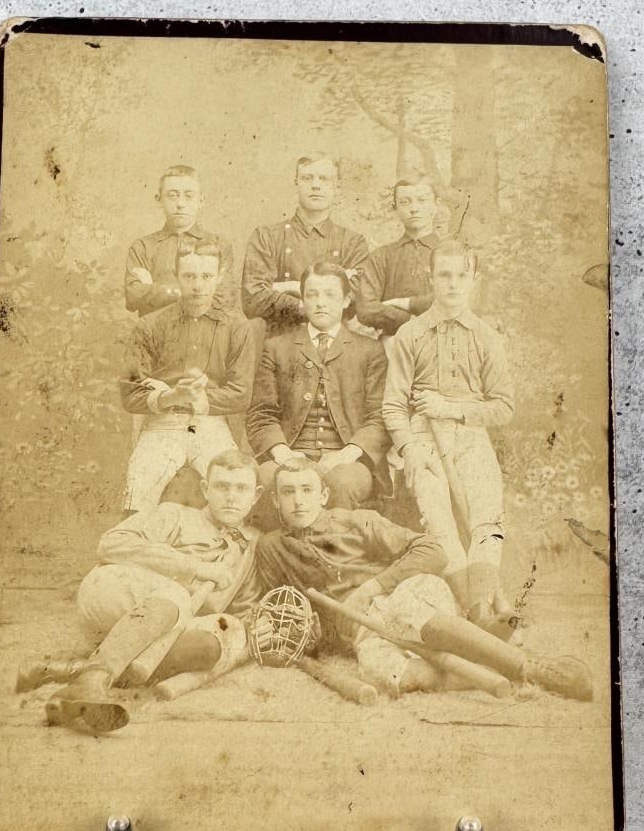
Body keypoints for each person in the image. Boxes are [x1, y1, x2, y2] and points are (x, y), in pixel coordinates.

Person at [28, 451, 264, 732]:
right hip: (113, 594)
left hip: (162, 632)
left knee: (213, 645)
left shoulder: (251, 546)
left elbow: (241, 608)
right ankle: (91, 680)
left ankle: (79, 679)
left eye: (241, 488)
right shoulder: (174, 514)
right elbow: (111, 545)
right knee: (175, 595)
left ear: (256, 495)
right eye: (222, 486)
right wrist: (195, 568)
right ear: (205, 489)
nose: (231, 497)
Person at [381, 238, 514, 627]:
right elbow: (393, 404)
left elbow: (504, 407)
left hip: (471, 436)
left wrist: (451, 409)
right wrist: (408, 448)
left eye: (461, 276)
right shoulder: (411, 334)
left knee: (487, 518)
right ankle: (479, 612)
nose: (453, 284)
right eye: (444, 275)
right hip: (423, 439)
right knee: (439, 519)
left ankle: (484, 606)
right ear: (431, 279)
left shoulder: (488, 337)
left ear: (474, 280)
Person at [255, 457, 459, 697]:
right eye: (288, 492)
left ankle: (483, 653)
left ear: (323, 496)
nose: (298, 501)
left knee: (415, 604)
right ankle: (473, 672)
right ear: (275, 500)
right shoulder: (271, 547)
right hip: (364, 629)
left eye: (307, 490)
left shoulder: (356, 520)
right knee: (382, 674)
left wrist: (371, 587)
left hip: (402, 598)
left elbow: (433, 552)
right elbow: (280, 606)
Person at [119, 240, 256, 515]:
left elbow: (241, 394)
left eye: (206, 277)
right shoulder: (151, 325)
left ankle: (222, 553)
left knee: (232, 491)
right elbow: (130, 394)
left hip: (210, 423)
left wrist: (199, 397)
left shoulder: (237, 326)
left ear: (219, 276)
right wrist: (171, 396)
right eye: (189, 276)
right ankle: (132, 549)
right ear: (176, 275)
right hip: (163, 424)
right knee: (139, 493)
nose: (197, 286)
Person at [246, 261, 388, 524]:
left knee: (342, 483)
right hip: (290, 452)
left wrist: (346, 454)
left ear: (346, 300)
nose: (320, 302)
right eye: (312, 295)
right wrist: (282, 453)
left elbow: (379, 418)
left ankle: (335, 559)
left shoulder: (369, 350)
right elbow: (261, 414)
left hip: (347, 458)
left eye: (330, 294)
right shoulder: (277, 348)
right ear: (302, 300)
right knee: (266, 478)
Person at [242, 152, 369, 333]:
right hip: (279, 345)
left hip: (334, 347)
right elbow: (253, 300)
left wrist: (286, 288)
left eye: (324, 179)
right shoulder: (266, 236)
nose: (315, 185)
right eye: (307, 178)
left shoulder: (353, 243)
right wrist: (323, 301)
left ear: (336, 186)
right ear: (296, 183)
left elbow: (358, 299)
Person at [124, 164, 237, 317]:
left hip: (206, 334)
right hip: (158, 334)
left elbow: (225, 298)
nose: (180, 204)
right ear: (159, 200)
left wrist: (156, 289)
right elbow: (133, 298)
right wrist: (194, 291)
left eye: (189, 196)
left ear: (201, 201)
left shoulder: (219, 245)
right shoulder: (143, 247)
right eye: (172, 195)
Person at [354, 172, 442, 339]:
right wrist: (409, 320)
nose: (414, 208)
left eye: (422, 201)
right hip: (394, 345)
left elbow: (458, 299)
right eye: (405, 202)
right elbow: (366, 308)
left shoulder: (453, 253)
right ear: (396, 209)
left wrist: (407, 304)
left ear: (436, 205)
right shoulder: (381, 256)